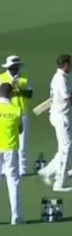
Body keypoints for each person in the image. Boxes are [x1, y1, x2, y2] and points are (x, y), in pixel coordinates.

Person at [39, 54, 72, 192]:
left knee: (65, 148)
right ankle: (59, 182)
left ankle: (48, 171)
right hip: (61, 116)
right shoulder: (61, 79)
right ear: (65, 65)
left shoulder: (59, 77)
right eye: (70, 64)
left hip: (59, 114)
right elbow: (67, 99)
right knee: (67, 148)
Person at [0, 55, 32, 176]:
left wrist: (20, 91)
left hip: (21, 112)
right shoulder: (1, 78)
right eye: (13, 67)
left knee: (22, 143)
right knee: (4, 141)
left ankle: (22, 168)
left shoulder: (25, 78)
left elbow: (30, 93)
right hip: (4, 114)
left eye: (17, 66)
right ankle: (3, 168)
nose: (15, 68)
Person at [0, 83, 23, 224]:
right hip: (11, 148)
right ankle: (16, 216)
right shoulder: (16, 110)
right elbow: (20, 129)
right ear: (10, 94)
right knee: (12, 182)